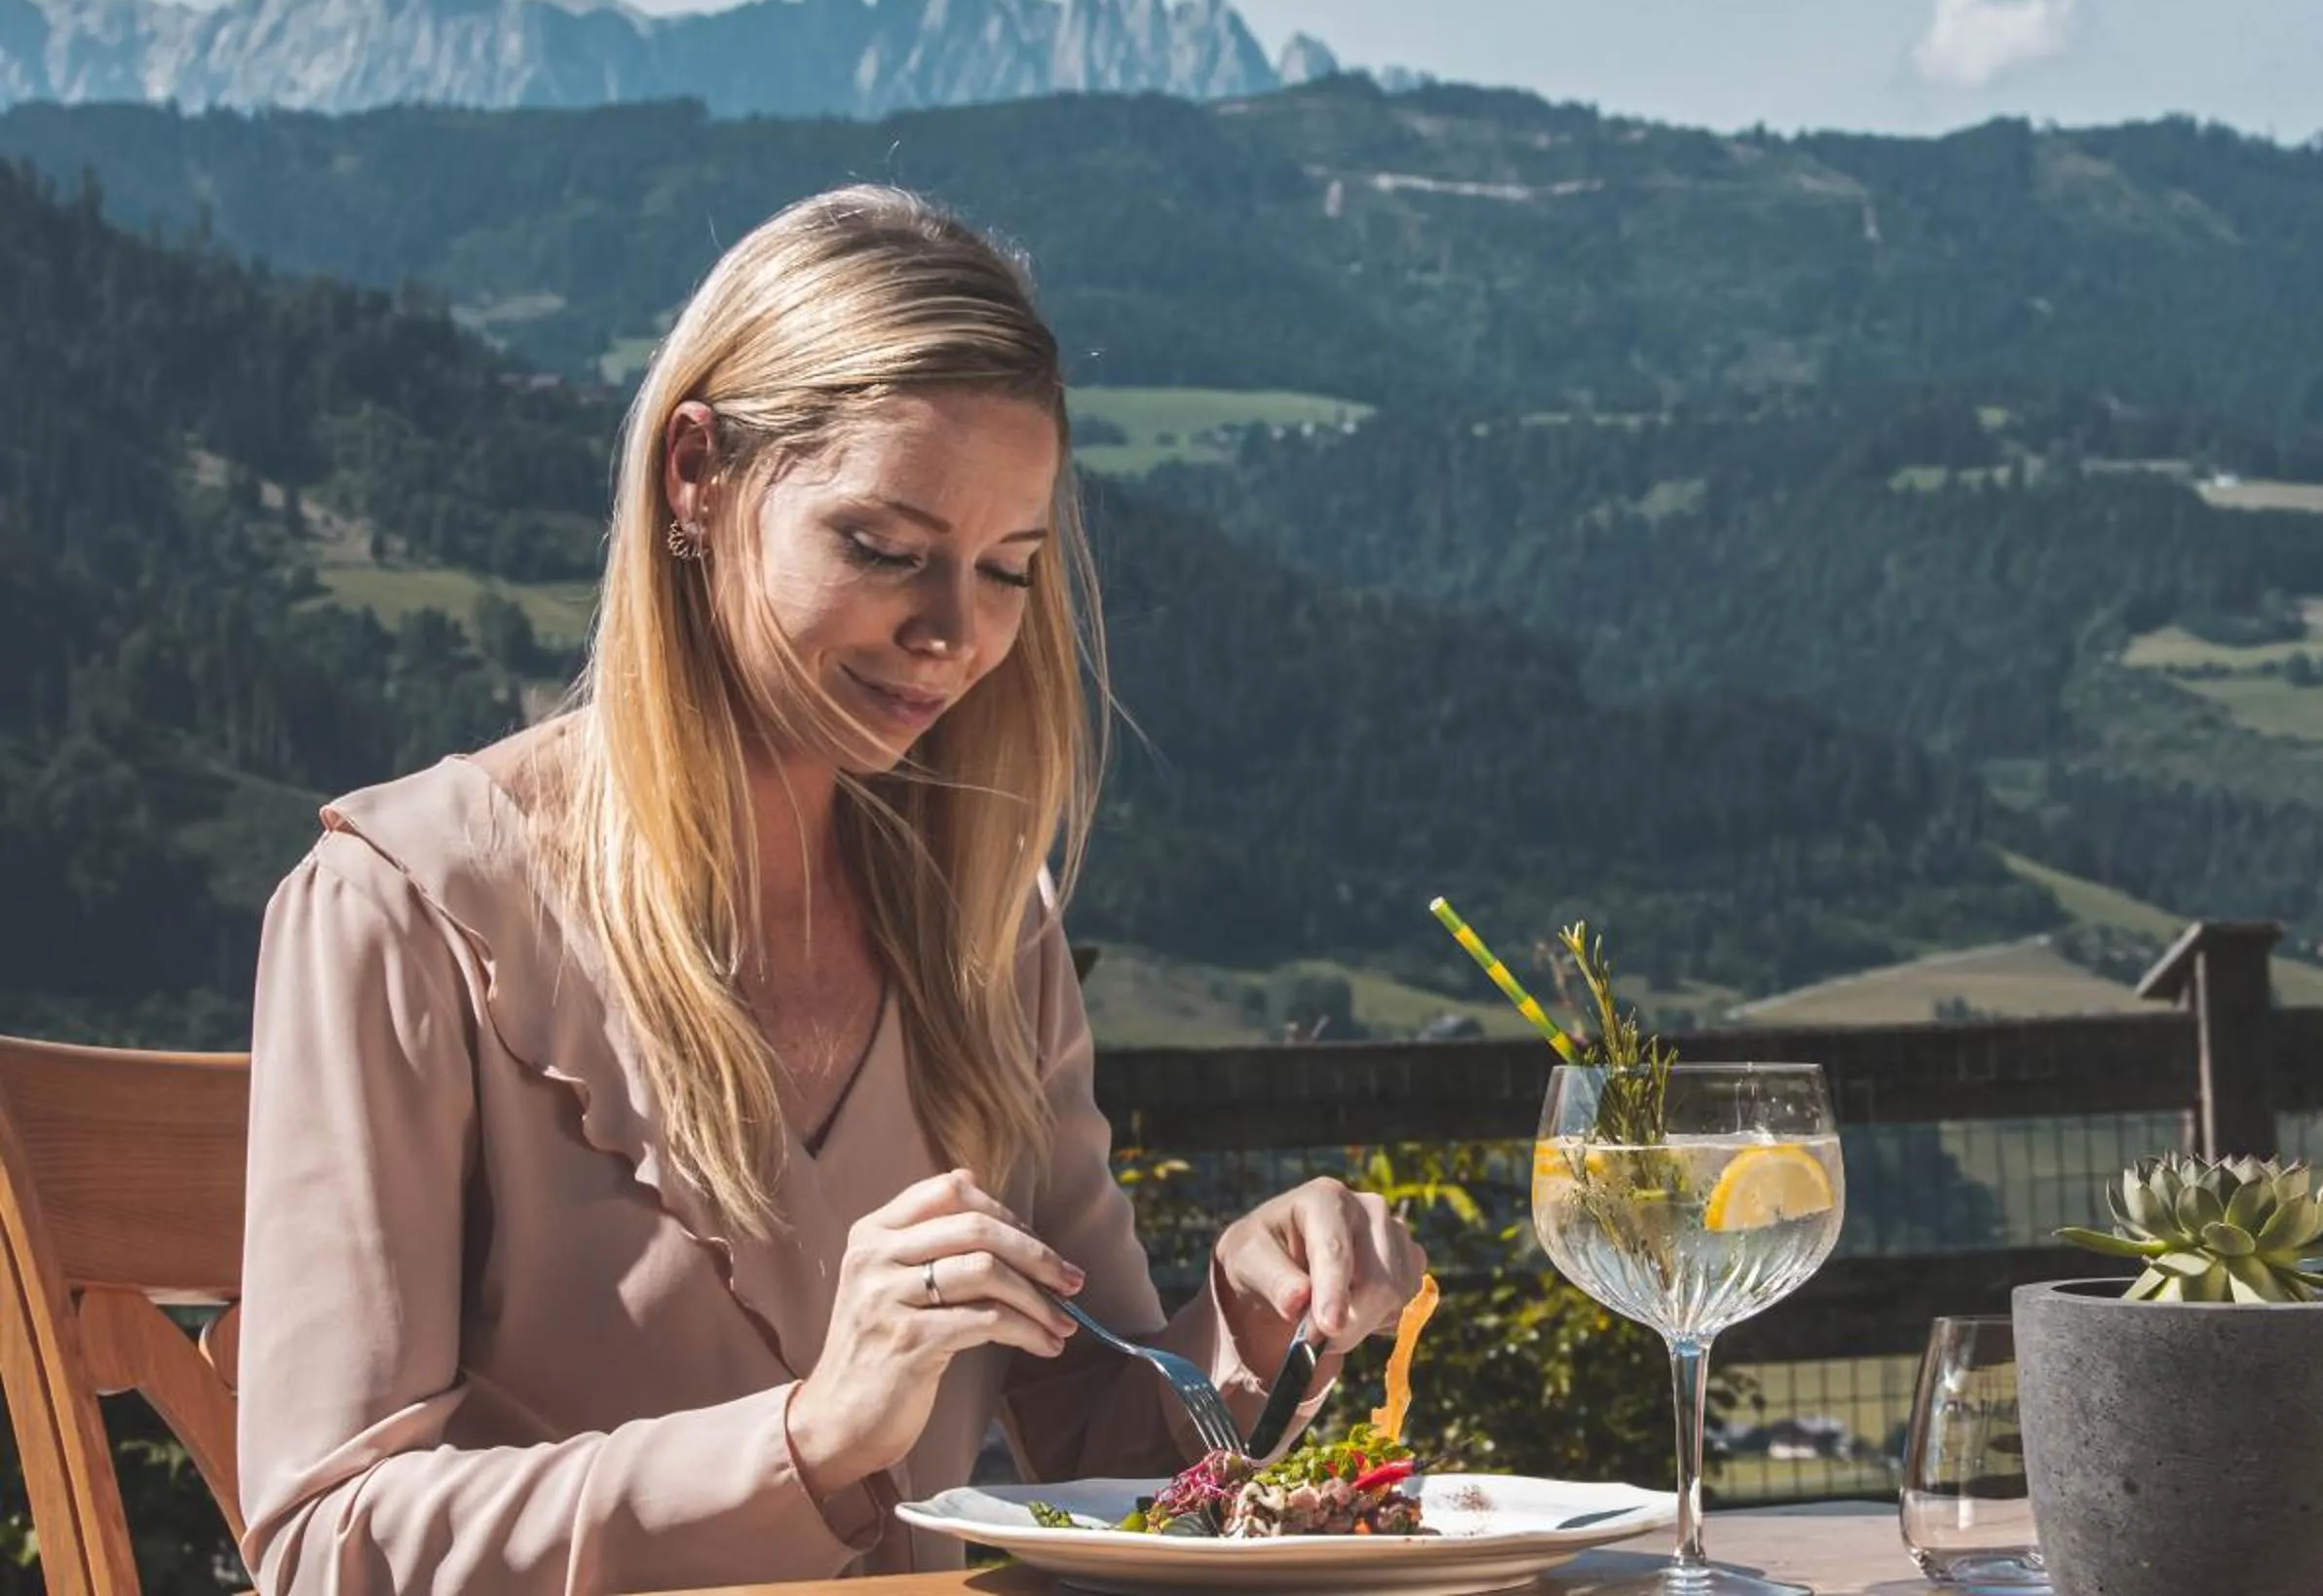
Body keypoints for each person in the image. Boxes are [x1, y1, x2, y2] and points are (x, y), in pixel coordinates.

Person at [235, 186, 1428, 1592]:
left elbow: (1106, 1447)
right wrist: (803, 1441)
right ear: (698, 474)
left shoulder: (989, 929)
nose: (951, 635)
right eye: (883, 549)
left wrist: (1253, 1310)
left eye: (1005, 572)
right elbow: (321, 1549)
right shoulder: (408, 912)